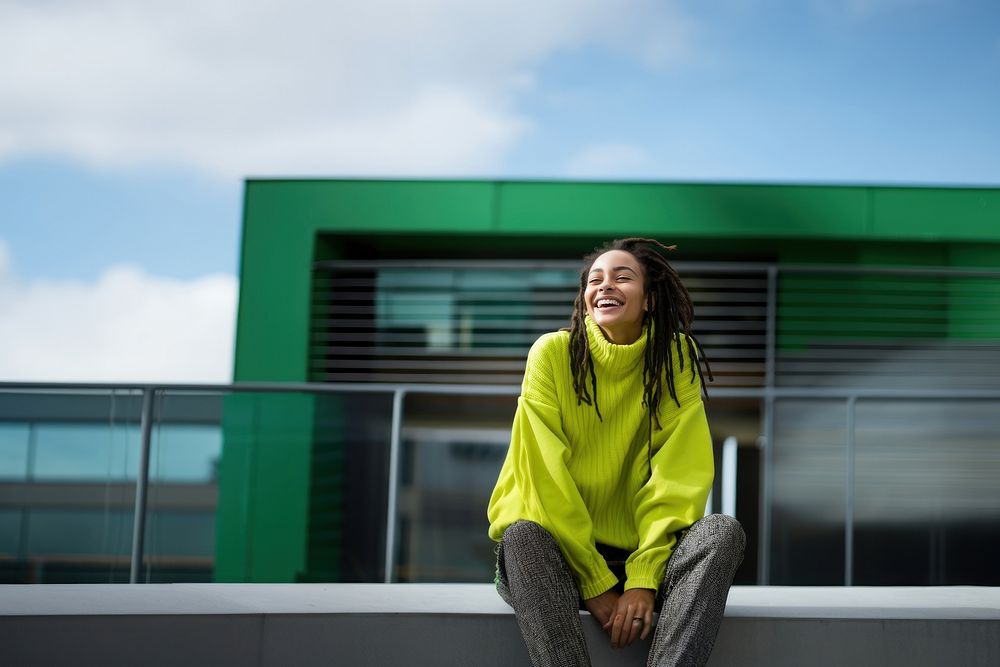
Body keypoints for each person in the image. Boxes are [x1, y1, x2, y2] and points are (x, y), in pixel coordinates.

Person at [487, 237, 745, 667]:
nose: (605, 285)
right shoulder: (551, 353)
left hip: (648, 556)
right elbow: (543, 476)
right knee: (522, 536)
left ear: (648, 299)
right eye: (595, 279)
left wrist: (643, 580)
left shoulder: (676, 357)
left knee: (722, 531)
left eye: (623, 277)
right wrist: (594, 581)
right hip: (562, 560)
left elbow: (678, 474)